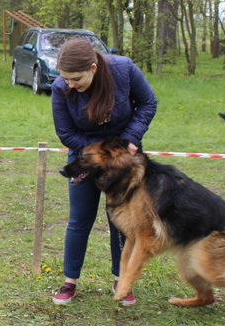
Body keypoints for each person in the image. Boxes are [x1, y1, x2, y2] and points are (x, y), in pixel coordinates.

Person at [51, 38, 157, 307]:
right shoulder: (60, 87)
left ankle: (121, 279)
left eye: (76, 78)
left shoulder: (124, 69)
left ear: (93, 68)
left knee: (121, 221)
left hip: (125, 154)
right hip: (85, 155)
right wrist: (101, 154)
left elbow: (148, 103)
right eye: (65, 78)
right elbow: (66, 133)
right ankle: (69, 281)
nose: (69, 84)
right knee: (79, 219)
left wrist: (129, 140)